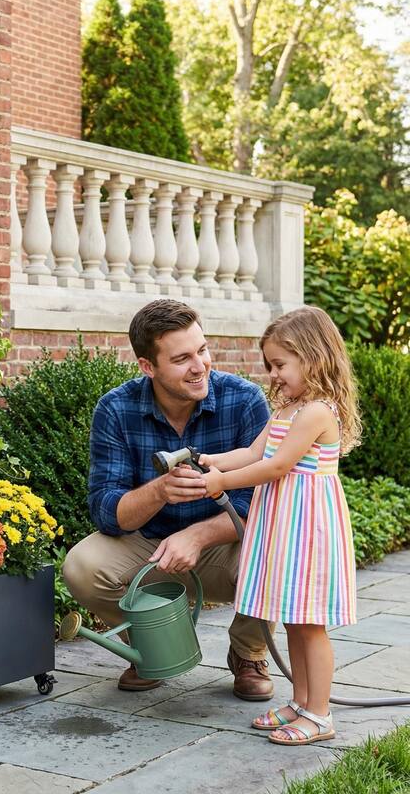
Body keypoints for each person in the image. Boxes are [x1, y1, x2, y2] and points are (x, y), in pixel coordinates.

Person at [63, 298, 274, 699]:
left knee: (278, 549)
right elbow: (106, 510)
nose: (200, 366)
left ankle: (249, 653)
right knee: (82, 568)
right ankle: (157, 642)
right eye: (182, 359)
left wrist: (196, 537)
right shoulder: (116, 408)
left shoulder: (243, 400)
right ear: (148, 367)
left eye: (202, 350)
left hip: (224, 548)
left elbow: (260, 504)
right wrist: (159, 491)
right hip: (149, 547)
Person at [201, 306, 360, 746]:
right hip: (284, 528)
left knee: (311, 626)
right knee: (293, 620)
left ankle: (321, 715)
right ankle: (302, 702)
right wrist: (213, 462)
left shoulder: (317, 413)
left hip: (307, 531)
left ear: (314, 357)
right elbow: (254, 454)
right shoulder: (290, 408)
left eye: (280, 364)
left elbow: (277, 467)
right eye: (269, 365)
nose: (272, 374)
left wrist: (222, 484)